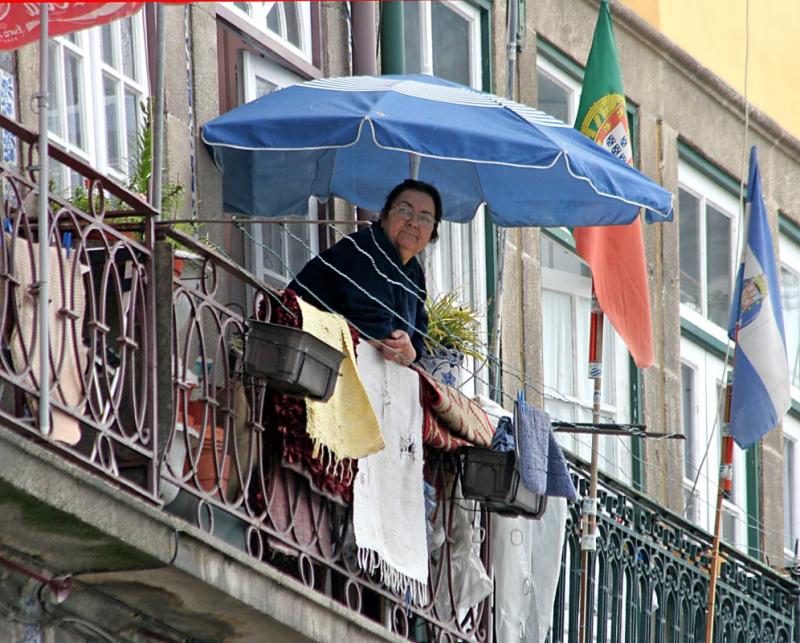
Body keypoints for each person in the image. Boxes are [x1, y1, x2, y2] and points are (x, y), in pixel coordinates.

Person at [288, 179, 442, 366]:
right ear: (384, 216)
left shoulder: (414, 272)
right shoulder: (366, 250)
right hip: (299, 356)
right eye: (404, 210)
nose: (413, 223)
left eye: (425, 218)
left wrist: (411, 351)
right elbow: (377, 338)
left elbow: (418, 330)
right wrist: (398, 346)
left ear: (432, 231)